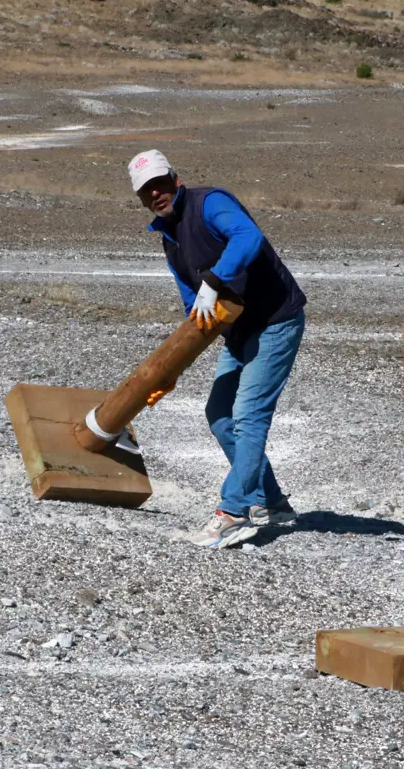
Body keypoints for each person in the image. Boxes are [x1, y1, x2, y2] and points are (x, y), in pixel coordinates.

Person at [127, 150, 307, 549]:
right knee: (220, 414)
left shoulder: (210, 203)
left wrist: (214, 280)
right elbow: (197, 318)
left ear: (176, 178)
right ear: (140, 198)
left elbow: (248, 236)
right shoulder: (170, 240)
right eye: (147, 190)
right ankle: (270, 501)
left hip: (276, 320)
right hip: (238, 330)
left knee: (248, 415)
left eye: (161, 182)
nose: (156, 193)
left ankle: (234, 513)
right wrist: (170, 373)